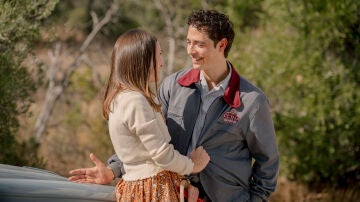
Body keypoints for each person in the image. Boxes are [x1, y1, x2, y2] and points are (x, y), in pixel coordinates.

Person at [69, 9, 279, 202]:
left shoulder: (252, 101)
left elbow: (267, 163)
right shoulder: (174, 86)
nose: (190, 50)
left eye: (199, 44)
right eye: (188, 42)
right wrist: (113, 169)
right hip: (173, 194)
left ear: (222, 45)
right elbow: (147, 139)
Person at [84, 29, 210, 202]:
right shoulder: (136, 101)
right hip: (153, 189)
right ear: (143, 61)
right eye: (159, 55)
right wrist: (192, 165)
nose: (162, 63)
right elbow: (161, 155)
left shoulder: (122, 98)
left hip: (138, 186)